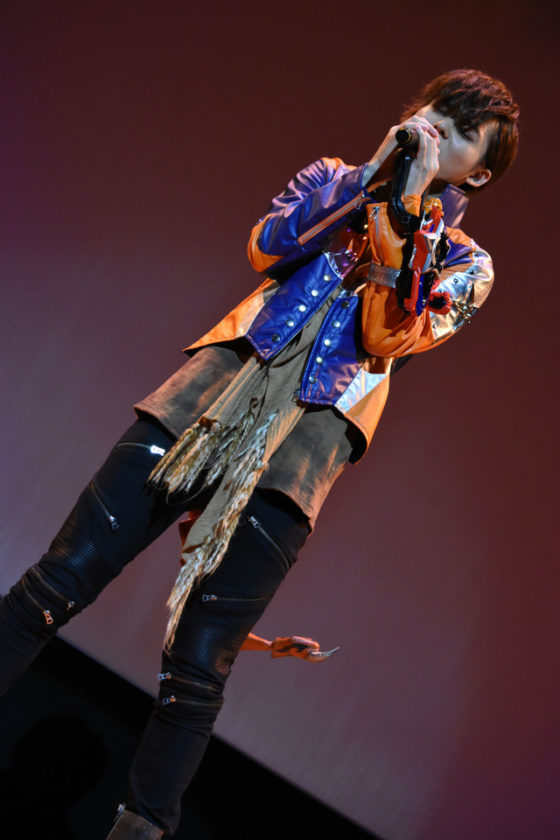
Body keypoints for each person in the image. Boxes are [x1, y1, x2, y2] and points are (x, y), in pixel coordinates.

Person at [0, 69, 519, 839]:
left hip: (299, 455)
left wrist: (406, 213)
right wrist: (370, 185)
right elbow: (266, 246)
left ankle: (139, 829)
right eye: (437, 107)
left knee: (197, 664)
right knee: (58, 579)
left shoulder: (467, 266)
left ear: (477, 172)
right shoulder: (334, 178)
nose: (439, 124)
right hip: (201, 403)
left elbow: (387, 333)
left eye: (464, 128)